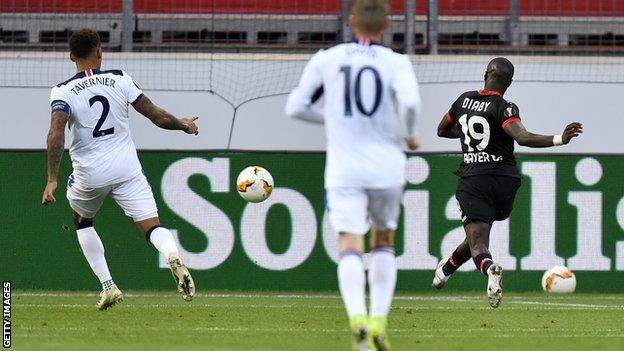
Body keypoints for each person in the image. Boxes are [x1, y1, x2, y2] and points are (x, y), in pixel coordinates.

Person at [285, 0, 421, 349]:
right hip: (387, 165)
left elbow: (295, 107)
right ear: (388, 23)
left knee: (349, 245)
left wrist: (333, 119)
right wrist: (408, 132)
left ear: (351, 21)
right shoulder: (397, 62)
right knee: (384, 241)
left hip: (345, 168)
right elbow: (410, 105)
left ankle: (356, 316)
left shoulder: (328, 58)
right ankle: (379, 319)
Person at [41, 29, 198, 310]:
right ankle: (172, 254)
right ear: (100, 52)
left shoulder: (62, 91)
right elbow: (158, 117)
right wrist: (183, 125)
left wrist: (52, 178)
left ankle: (108, 286)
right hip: (127, 169)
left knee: (82, 221)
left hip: (90, 173)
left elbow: (56, 134)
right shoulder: (119, 79)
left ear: (70, 57)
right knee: (152, 226)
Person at [433, 57, 582, 308]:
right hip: (506, 182)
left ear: (485, 74)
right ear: (509, 82)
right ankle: (446, 269)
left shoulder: (462, 101)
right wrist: (559, 138)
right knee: (476, 233)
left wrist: (471, 136)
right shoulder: (504, 107)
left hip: (475, 178)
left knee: (478, 242)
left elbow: (442, 130)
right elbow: (521, 137)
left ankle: (490, 269)